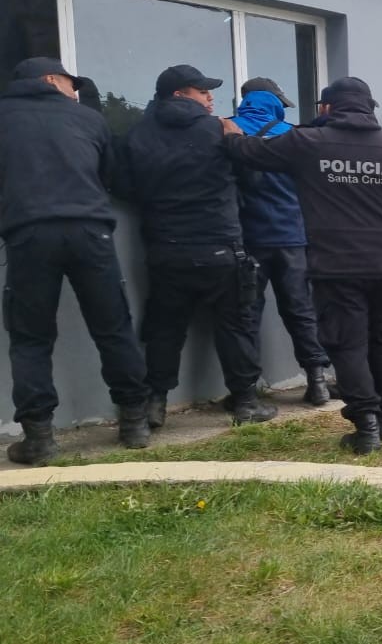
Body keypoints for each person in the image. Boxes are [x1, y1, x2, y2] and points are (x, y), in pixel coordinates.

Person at [221, 77, 382, 454]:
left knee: (347, 344)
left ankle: (365, 424)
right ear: (370, 108)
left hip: (338, 266)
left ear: (328, 108)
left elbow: (251, 154)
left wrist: (231, 133)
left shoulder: (306, 143)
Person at [0, 57, 150, 463]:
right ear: (50, 79)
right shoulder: (88, 120)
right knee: (113, 327)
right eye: (72, 83)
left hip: (29, 233)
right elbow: (111, 176)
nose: (76, 91)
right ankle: (134, 424)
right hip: (90, 231)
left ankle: (39, 440)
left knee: (30, 338)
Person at [117, 65, 276, 431]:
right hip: (220, 246)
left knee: (164, 328)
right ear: (179, 94)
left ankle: (155, 403)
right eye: (202, 91)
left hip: (165, 248)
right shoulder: (218, 129)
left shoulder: (136, 135)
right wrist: (237, 142)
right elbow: (252, 179)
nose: (210, 97)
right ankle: (247, 403)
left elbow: (125, 187)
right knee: (234, 324)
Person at [231, 77, 330, 407]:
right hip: (292, 238)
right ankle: (316, 381)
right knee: (301, 310)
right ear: (273, 101)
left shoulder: (227, 130)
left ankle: (245, 392)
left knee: (245, 314)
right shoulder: (295, 136)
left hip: (247, 241)